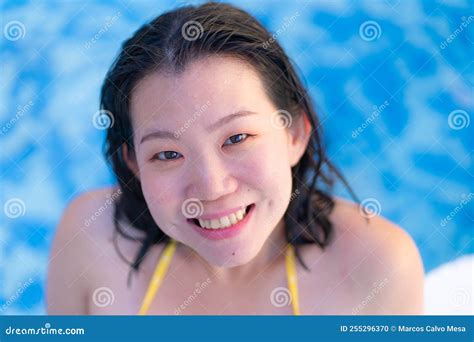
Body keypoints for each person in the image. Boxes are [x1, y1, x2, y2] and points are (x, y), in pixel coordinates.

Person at [47, 2, 424, 315]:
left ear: (295, 133)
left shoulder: (377, 266)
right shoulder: (90, 240)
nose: (211, 187)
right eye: (167, 153)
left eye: (237, 137)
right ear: (134, 164)